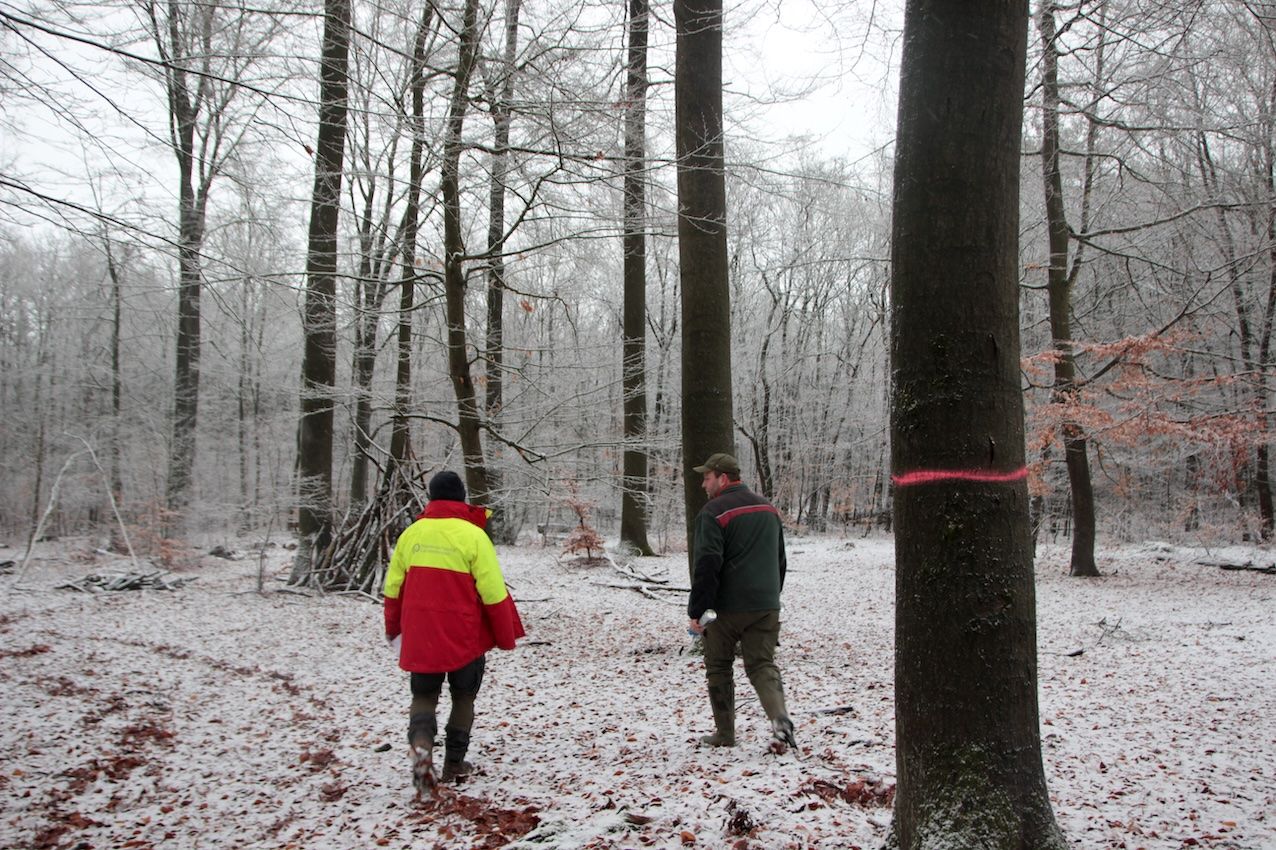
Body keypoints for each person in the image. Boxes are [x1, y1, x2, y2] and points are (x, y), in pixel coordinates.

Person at [383, 470, 525, 790]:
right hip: (465, 636)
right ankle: (454, 763)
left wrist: (393, 629)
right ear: (462, 497)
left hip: (421, 635)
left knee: (423, 695)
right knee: (463, 696)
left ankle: (422, 744)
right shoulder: (473, 536)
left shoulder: (411, 534)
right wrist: (505, 636)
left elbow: (392, 589)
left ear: (431, 498)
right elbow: (493, 592)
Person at [686, 452, 797, 752]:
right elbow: (780, 560)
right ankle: (779, 717)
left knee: (718, 666)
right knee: (762, 664)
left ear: (723, 478)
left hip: (727, 608)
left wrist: (697, 611)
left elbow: (707, 564)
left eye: (707, 478)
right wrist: (771, 596)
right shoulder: (768, 509)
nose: (703, 484)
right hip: (766, 604)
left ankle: (724, 733)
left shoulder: (713, 512)